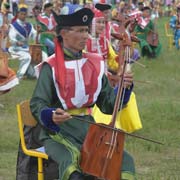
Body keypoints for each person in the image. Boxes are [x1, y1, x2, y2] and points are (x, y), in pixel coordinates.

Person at [30, 4, 136, 180]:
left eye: (86, 30)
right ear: (63, 33)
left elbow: (108, 104)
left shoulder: (94, 64)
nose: (85, 36)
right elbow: (37, 103)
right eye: (79, 31)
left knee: (123, 161)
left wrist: (123, 89)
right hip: (57, 133)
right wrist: (50, 115)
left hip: (89, 128)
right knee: (74, 164)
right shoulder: (51, 66)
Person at [8, 4, 37, 80]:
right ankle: (19, 76)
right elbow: (11, 38)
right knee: (27, 57)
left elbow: (34, 35)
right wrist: (17, 42)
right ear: (18, 14)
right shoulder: (13, 26)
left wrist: (38, 32)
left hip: (26, 48)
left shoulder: (29, 25)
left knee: (36, 54)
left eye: (25, 14)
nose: (23, 16)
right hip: (15, 49)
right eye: (22, 14)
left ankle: (31, 73)